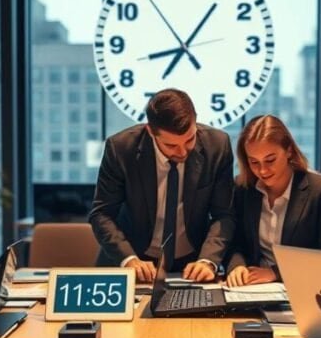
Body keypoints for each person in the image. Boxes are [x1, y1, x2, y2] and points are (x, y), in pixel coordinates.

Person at [89, 88, 235, 283]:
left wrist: (208, 260)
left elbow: (224, 215)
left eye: (190, 140)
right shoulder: (121, 149)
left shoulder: (217, 145)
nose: (183, 152)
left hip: (192, 265)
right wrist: (129, 259)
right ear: (151, 131)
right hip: (133, 261)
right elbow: (102, 214)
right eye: (171, 146)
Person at [226, 115, 321, 287]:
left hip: (303, 289)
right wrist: (237, 267)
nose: (263, 170)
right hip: (251, 288)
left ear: (289, 150)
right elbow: (235, 241)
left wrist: (275, 273)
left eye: (270, 160)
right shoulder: (243, 189)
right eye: (254, 162)